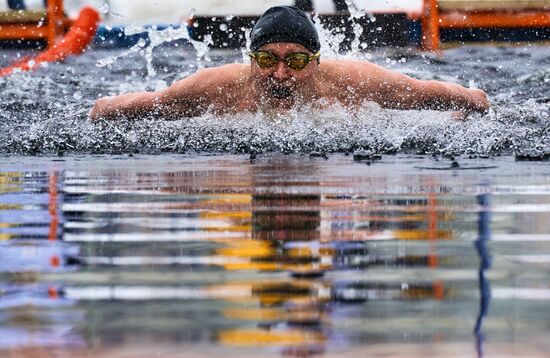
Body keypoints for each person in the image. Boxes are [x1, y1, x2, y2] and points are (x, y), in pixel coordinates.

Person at [90, 6, 489, 121]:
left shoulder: (355, 82)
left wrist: (472, 102)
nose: (280, 74)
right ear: (250, 60)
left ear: (316, 62)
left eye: (296, 61)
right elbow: (110, 111)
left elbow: (434, 95)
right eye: (266, 59)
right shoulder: (215, 87)